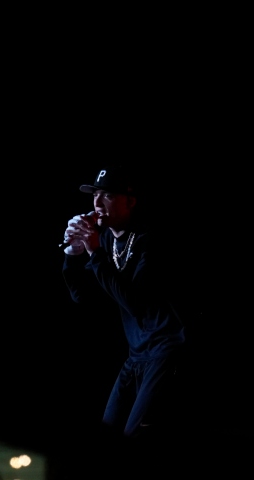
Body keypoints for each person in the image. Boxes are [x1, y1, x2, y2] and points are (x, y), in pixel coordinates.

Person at [60, 165, 194, 477]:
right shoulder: (107, 241)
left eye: (108, 195)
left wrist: (94, 251)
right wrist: (73, 254)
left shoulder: (151, 241)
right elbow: (83, 298)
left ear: (130, 201)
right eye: (95, 195)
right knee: (105, 434)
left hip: (166, 350)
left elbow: (133, 303)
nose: (98, 202)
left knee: (135, 438)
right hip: (136, 355)